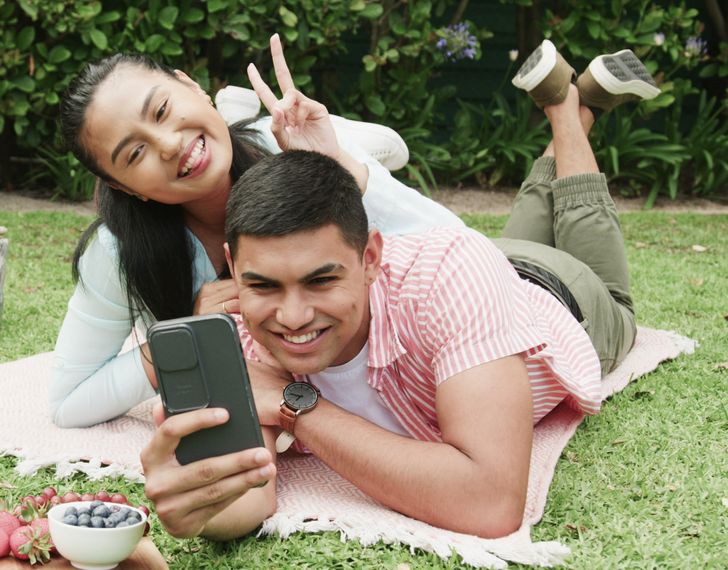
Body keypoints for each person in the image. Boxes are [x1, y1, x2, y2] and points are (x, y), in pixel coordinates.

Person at [139, 40, 658, 540]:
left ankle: (566, 110)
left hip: (565, 297)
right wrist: (199, 506)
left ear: (370, 259)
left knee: (602, 267)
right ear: (233, 269)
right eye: (263, 285)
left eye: (321, 280)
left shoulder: (456, 270)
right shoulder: (244, 332)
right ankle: (579, 104)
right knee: (516, 231)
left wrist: (298, 405)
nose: (291, 316)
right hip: (493, 269)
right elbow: (245, 494)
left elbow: (491, 502)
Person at [50, 35, 464, 428]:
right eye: (136, 152)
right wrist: (185, 334)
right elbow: (68, 402)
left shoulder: (288, 145)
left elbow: (458, 250)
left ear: (191, 86)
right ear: (124, 188)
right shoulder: (118, 251)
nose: (169, 145)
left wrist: (341, 167)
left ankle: (361, 144)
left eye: (160, 111)